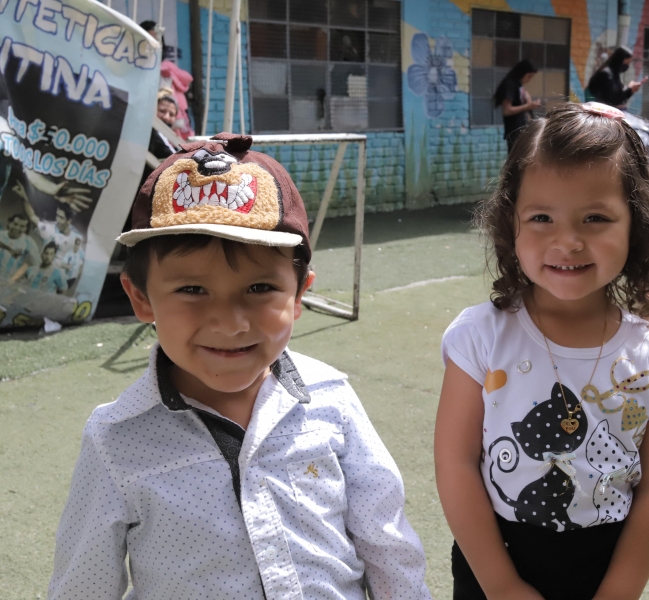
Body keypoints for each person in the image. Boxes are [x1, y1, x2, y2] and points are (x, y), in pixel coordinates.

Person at [48, 134, 431, 599]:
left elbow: (387, 546)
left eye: (258, 289)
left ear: (299, 293)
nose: (230, 324)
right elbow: (82, 586)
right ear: (141, 298)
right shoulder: (115, 439)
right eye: (192, 290)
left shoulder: (333, 400)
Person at [435, 103, 649, 600]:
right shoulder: (480, 338)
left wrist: (619, 591)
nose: (568, 241)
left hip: (605, 567)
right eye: (541, 217)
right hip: (493, 561)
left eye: (595, 218)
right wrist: (503, 584)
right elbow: (455, 464)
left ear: (635, 225)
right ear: (511, 224)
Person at [494, 60, 541, 152]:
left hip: (523, 131)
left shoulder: (519, 86)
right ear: (522, 73)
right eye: (529, 76)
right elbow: (507, 110)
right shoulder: (510, 84)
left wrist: (530, 103)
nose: (529, 79)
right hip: (515, 132)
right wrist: (528, 106)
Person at [0, 213, 38, 280]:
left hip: (8, 282)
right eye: (15, 224)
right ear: (9, 223)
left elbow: (37, 263)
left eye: (22, 226)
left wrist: (30, 274)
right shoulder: (1, 235)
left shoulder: (28, 242)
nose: (17, 228)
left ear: (26, 228)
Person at [149, 89, 179, 159]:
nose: (166, 117)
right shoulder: (154, 132)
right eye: (162, 111)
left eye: (171, 114)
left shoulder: (166, 137)